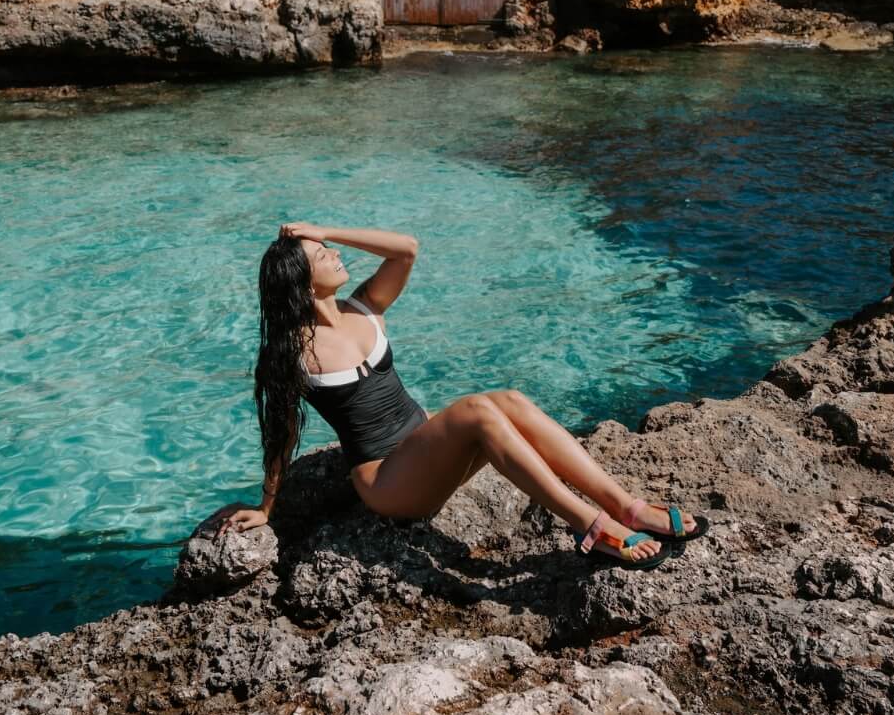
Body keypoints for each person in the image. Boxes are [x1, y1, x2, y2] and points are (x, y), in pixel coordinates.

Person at [213, 224, 707, 569]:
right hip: (389, 483)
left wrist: (323, 229)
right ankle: (588, 525)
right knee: (476, 411)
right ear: (301, 281)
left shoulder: (364, 306)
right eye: (323, 255)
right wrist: (267, 507)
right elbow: (281, 431)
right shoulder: (291, 353)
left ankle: (628, 508)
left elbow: (405, 248)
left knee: (508, 400)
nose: (336, 255)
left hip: (429, 452)